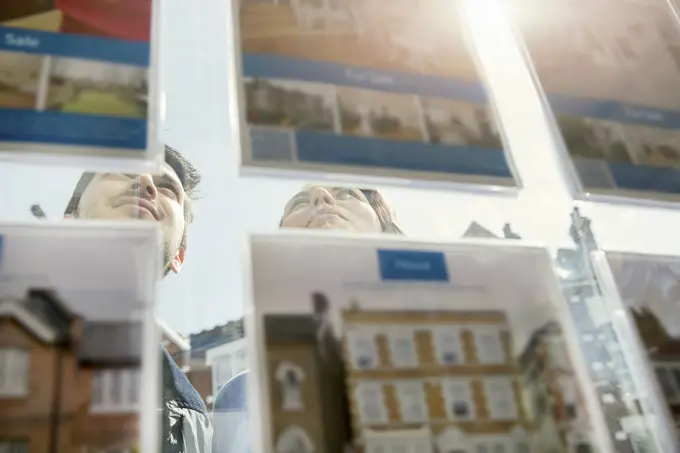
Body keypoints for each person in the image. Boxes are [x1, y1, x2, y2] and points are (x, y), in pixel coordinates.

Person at [212, 186, 402, 453]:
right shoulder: (238, 394)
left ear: (384, 229)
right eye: (300, 203)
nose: (320, 198)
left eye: (347, 194)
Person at [63, 145, 212, 453]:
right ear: (69, 221)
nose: (146, 181)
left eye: (168, 187)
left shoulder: (194, 418)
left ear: (179, 256)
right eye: (123, 170)